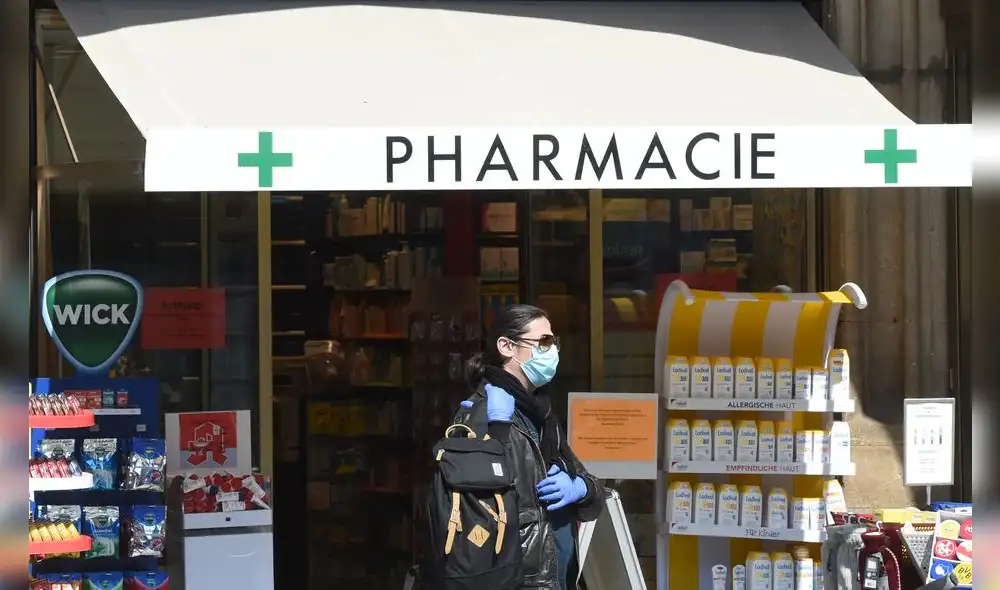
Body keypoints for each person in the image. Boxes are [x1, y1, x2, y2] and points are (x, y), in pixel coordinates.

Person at [459, 304, 605, 589]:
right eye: (544, 342)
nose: (553, 351)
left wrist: (580, 487)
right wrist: (495, 432)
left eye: (554, 342)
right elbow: (476, 508)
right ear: (507, 346)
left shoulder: (542, 413)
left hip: (556, 575)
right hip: (517, 579)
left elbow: (593, 490)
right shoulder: (483, 411)